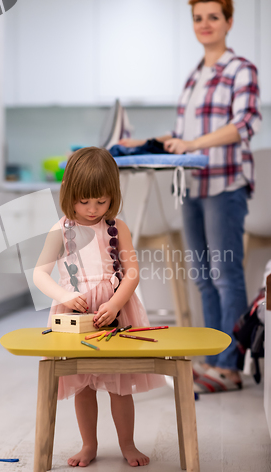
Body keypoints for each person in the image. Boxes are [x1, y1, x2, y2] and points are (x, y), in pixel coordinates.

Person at [119, 0, 262, 392]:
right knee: (202, 277)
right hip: (192, 185)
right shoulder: (194, 76)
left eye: (213, 17)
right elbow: (183, 132)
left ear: (229, 21)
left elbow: (244, 123)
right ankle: (214, 359)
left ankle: (230, 367)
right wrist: (149, 141)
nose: (205, 24)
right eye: (198, 18)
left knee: (225, 273)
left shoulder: (240, 69)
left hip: (224, 184)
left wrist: (194, 143)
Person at [33, 147, 165, 467]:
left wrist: (115, 302)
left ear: (113, 197)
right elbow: (39, 273)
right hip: (75, 315)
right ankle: (88, 445)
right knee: (83, 385)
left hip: (114, 313)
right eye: (84, 201)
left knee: (119, 386)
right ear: (69, 195)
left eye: (101, 201)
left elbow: (132, 272)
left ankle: (127, 444)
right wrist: (64, 297)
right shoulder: (60, 229)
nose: (93, 209)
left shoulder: (117, 227)